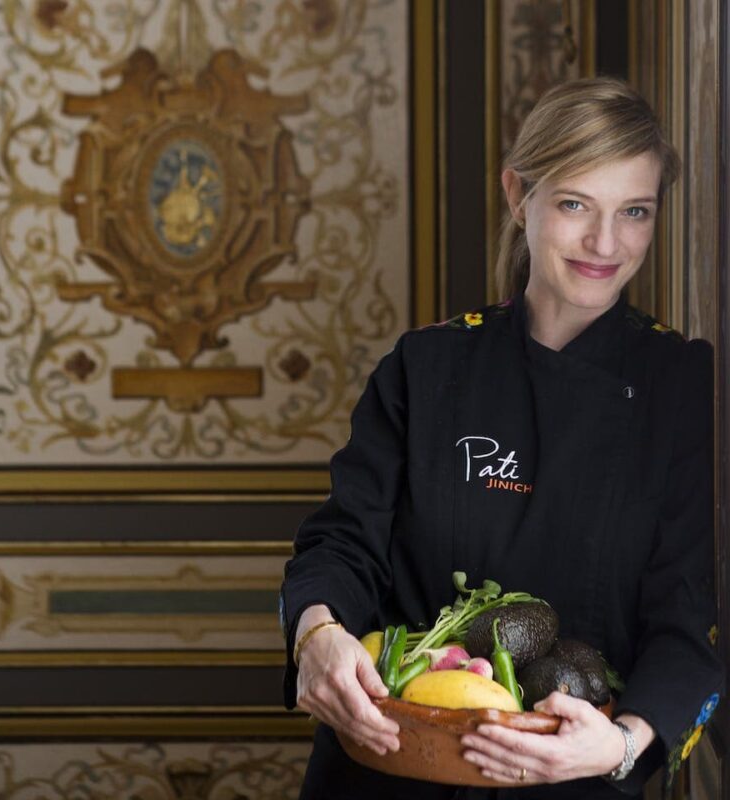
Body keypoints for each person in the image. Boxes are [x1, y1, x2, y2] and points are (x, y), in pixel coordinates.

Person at [279, 77, 724, 800]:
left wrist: (618, 745)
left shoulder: (683, 386)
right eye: (576, 204)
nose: (605, 243)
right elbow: (342, 545)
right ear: (520, 197)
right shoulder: (425, 367)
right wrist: (316, 634)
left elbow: (688, 613)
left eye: (634, 212)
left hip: (573, 783)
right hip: (388, 767)